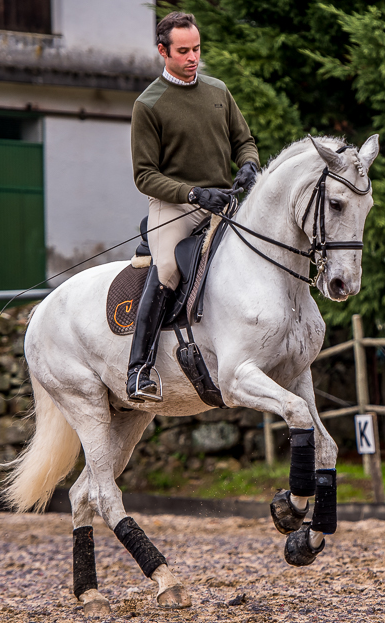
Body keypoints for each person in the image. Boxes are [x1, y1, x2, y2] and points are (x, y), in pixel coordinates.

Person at [127, 11, 260, 402]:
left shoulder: (218, 91)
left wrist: (249, 165)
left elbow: (244, 140)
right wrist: (193, 194)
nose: (192, 58)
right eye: (183, 51)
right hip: (176, 205)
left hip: (225, 199)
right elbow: (144, 175)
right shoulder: (148, 105)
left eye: (197, 49)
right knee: (167, 268)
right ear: (162, 51)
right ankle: (139, 370)